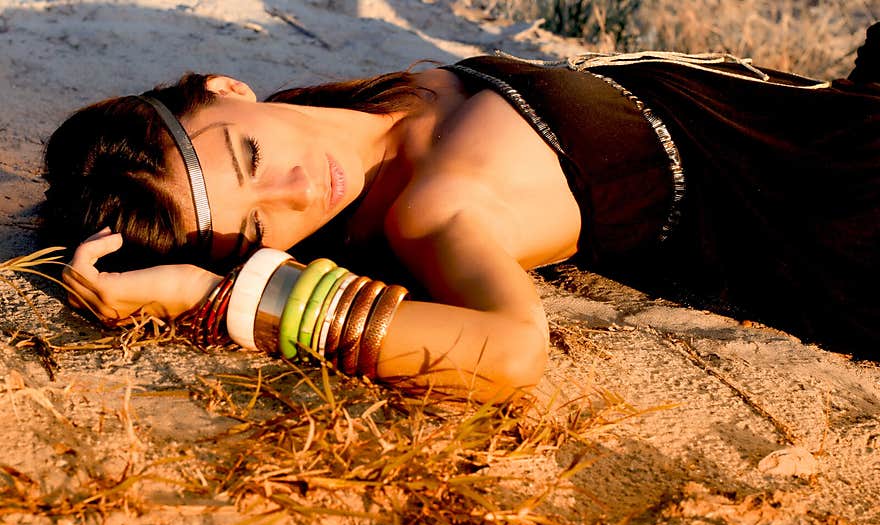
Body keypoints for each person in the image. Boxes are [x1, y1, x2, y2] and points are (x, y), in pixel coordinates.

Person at [40, 24, 880, 402]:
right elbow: (512, 351)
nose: (298, 192)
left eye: (252, 159)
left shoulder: (371, 108)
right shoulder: (432, 210)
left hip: (821, 118)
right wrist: (211, 295)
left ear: (226, 87)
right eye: (260, 229)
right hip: (844, 213)